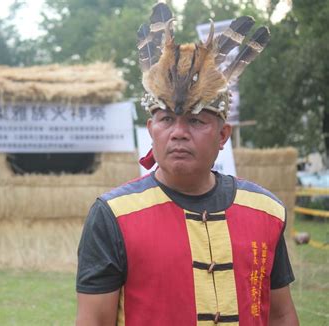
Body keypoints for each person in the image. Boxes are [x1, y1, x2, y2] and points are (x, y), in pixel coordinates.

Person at [75, 3, 298, 326]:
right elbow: (94, 321)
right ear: (151, 131)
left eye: (195, 121)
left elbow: (281, 314)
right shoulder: (113, 216)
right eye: (166, 119)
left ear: (223, 135)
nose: (178, 133)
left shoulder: (266, 211)